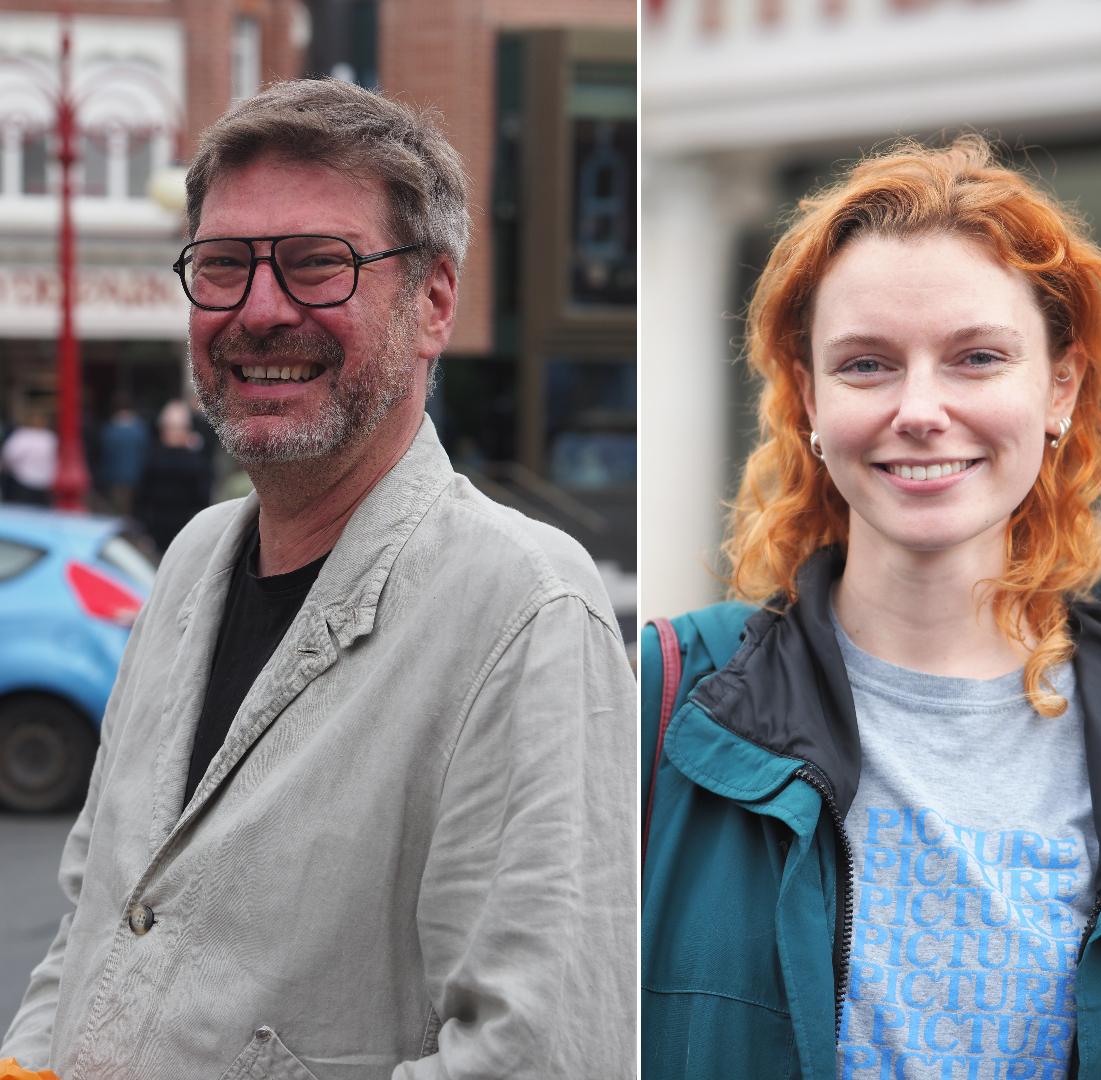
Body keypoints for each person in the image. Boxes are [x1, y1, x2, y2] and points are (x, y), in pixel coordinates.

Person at [0, 79, 635, 1078]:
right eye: (221, 266)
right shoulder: (193, 561)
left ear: (432, 301)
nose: (258, 310)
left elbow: (542, 1056)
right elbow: (94, 918)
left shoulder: (525, 610)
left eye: (316, 266)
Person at [640, 137, 1101, 1079]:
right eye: (867, 366)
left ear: (1059, 387)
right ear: (809, 399)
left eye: (977, 357)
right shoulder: (666, 699)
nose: (921, 409)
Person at [131, 399, 212, 554]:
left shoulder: (152, 458)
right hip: (178, 531)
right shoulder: (196, 461)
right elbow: (203, 500)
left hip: (166, 530)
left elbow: (140, 498)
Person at [96, 401, 150, 516]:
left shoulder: (110, 429)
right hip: (135, 474)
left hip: (114, 475)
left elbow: (104, 452)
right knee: (131, 507)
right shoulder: (139, 429)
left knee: (116, 507)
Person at [0, 411, 55, 506]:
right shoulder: (50, 437)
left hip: (25, 483)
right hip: (39, 483)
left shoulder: (23, 435)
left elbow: (9, 457)